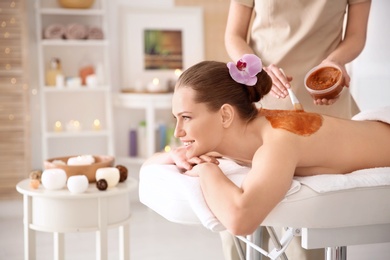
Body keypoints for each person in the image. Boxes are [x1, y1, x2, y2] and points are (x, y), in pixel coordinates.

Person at [143, 55, 390, 258]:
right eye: (176, 118)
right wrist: (176, 156)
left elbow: (241, 221)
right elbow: (150, 164)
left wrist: (208, 171)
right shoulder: (226, 135)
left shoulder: (278, 140)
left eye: (186, 117)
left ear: (225, 115)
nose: (178, 131)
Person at [225, 0, 371, 118]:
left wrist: (334, 62)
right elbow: (234, 36)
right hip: (263, 92)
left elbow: (356, 36)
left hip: (327, 95)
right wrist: (257, 72)